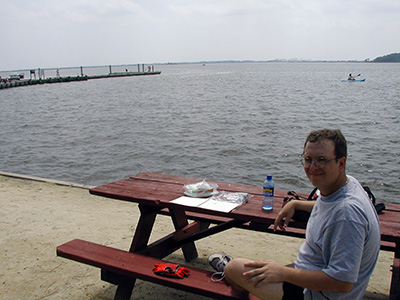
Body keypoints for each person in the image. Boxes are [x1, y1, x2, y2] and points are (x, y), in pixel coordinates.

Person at [210, 129, 380, 300]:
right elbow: (331, 207)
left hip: (318, 294)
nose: (313, 167)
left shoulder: (347, 215)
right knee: (253, 271)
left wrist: (283, 273)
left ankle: (228, 271)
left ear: (340, 163)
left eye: (321, 160)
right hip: (309, 271)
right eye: (308, 159)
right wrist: (297, 203)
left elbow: (342, 282)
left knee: (235, 268)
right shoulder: (347, 185)